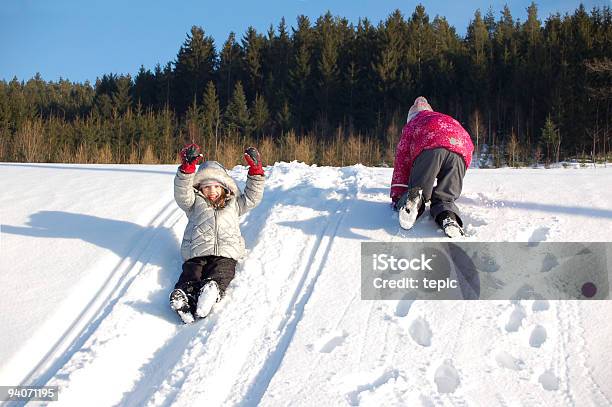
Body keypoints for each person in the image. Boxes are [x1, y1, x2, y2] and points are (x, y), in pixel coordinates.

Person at [169, 144, 265, 323]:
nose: (211, 191)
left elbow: (253, 197)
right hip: (197, 251)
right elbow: (182, 194)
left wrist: (256, 172)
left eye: (216, 187)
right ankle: (183, 297)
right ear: (200, 189)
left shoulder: (234, 203)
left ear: (225, 188)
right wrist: (187, 169)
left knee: (223, 271)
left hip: (225, 252)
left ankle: (211, 290)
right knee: (191, 273)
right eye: (206, 187)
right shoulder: (194, 203)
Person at [390, 97, 474, 238]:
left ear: (410, 117)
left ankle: (413, 201)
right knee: (446, 197)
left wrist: (398, 195)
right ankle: (449, 218)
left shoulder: (413, 124)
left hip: (431, 145)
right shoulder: (445, 118)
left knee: (419, 189)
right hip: (461, 150)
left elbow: (402, 161)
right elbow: (468, 145)